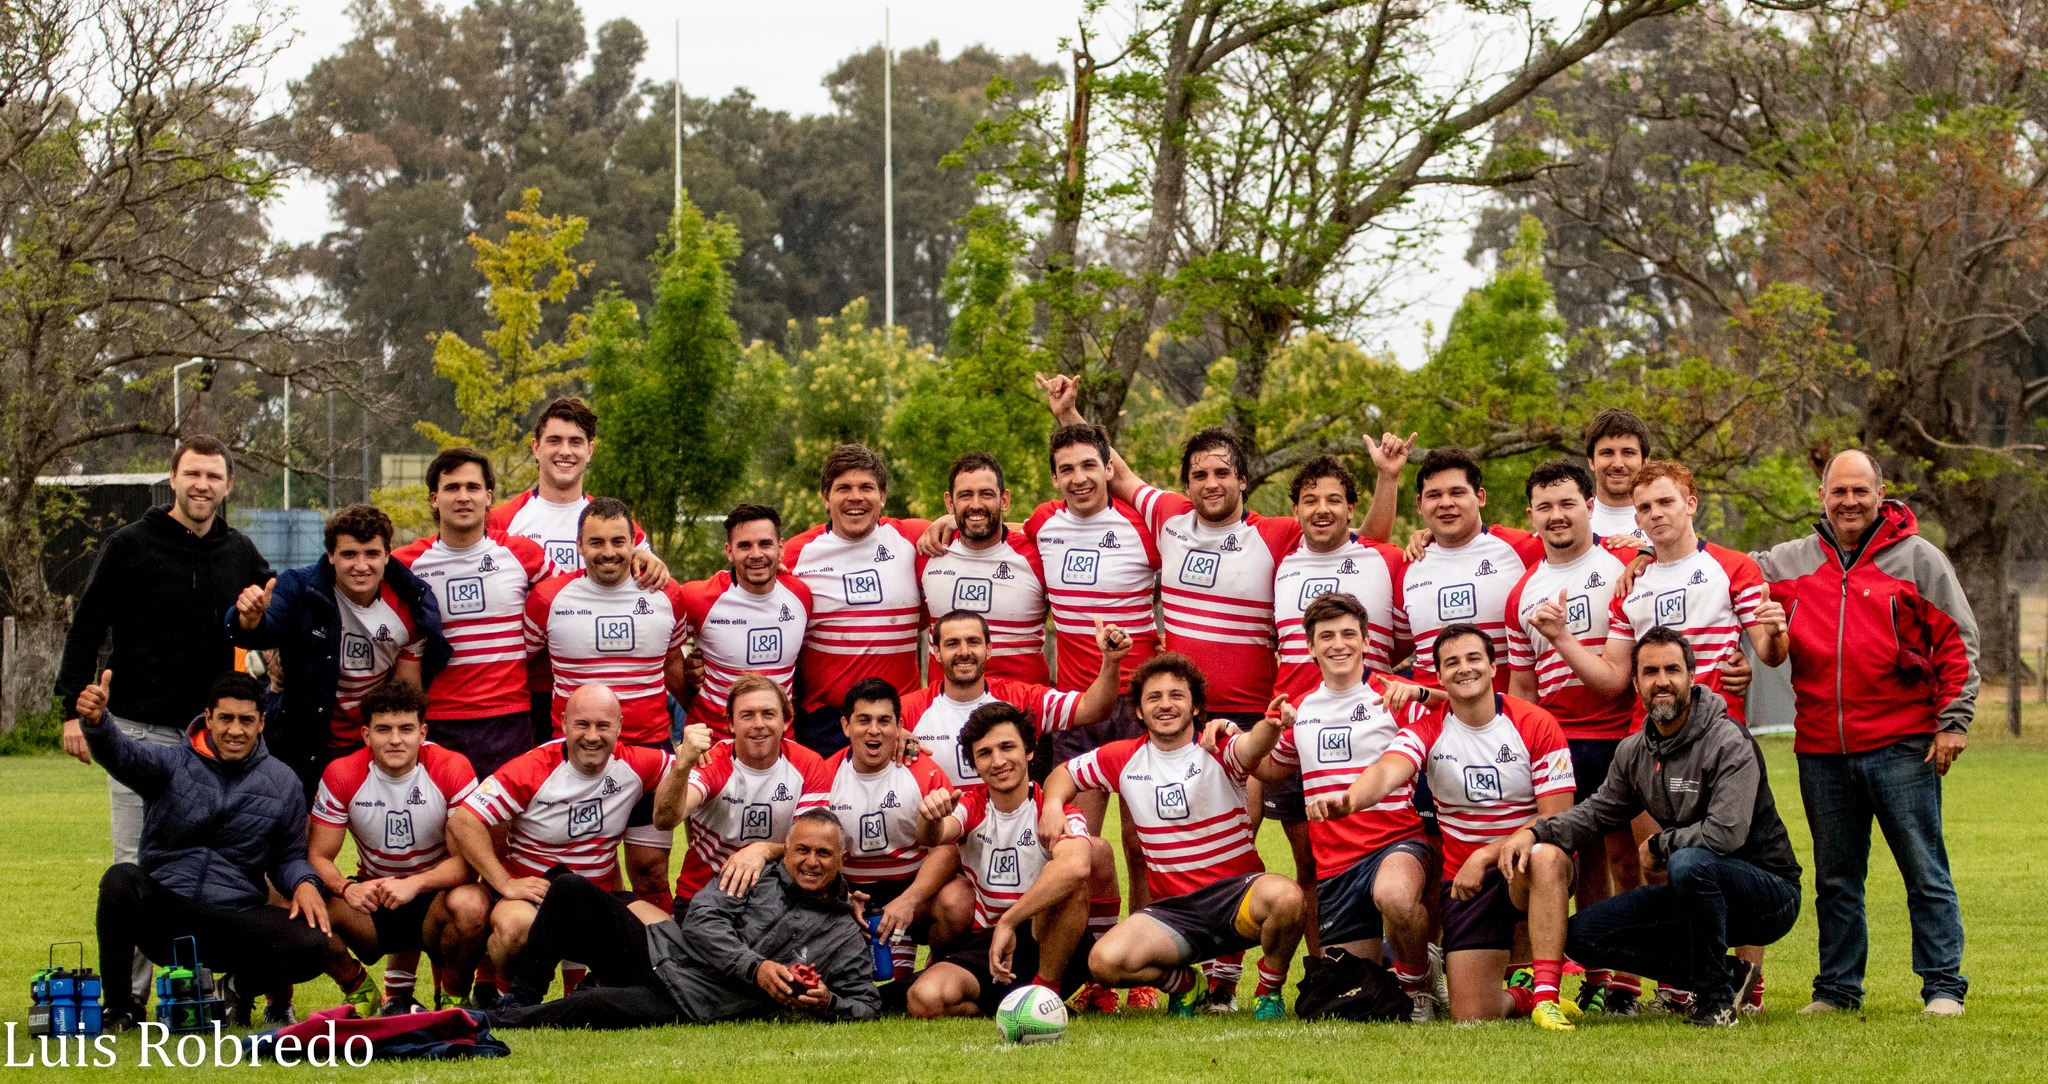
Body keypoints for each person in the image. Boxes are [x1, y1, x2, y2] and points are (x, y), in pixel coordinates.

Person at [1753, 449, 1976, 1017]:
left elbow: (1958, 644)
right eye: (1837, 491)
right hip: (1822, 751)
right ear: (1822, 497)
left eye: (1859, 491)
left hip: (1903, 745)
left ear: (1881, 494)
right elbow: (1723, 569)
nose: (1848, 502)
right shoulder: (1789, 561)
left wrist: (1953, 720)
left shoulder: (1920, 561)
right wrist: (1649, 553)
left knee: (1924, 871)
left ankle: (1944, 987)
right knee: (1837, 880)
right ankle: (1836, 990)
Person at [57, 436, 273, 1006]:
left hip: (213, 741)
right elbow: (86, 627)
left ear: (228, 486)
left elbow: (262, 630)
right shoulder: (130, 544)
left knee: (213, 864)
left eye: (214, 476)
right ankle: (125, 1000)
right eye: (192, 473)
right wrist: (71, 712)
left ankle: (205, 993)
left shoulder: (241, 552)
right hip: (137, 727)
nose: (202, 485)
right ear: (172, 479)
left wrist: (258, 623)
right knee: (135, 863)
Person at [1498, 627, 1803, 1028]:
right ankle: (1728, 976)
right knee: (1583, 935)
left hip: (1767, 895)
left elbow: (1725, 834)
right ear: (1636, 683)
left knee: (1689, 862)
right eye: (1650, 671)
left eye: (1673, 670)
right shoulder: (1633, 752)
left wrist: (1660, 844)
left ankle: (1716, 1002)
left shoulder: (1728, 741)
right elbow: (1595, 813)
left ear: (1692, 677)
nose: (1662, 681)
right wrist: (1535, 833)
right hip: (1692, 890)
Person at [1310, 624, 1579, 1029]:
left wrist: (1486, 854)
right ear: (1438, 676)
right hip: (1467, 880)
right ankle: (1522, 998)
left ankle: (1546, 996)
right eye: (1451, 663)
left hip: (1525, 866)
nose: (1464, 669)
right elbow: (1386, 771)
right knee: (1471, 1015)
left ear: (1492, 667)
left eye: (1474, 659)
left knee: (1544, 854)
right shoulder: (1428, 729)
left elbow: (1556, 817)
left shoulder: (1535, 723)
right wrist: (1351, 800)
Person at [1043, 654, 1306, 1021]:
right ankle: (1186, 985)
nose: (1165, 704)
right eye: (1154, 697)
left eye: (1176, 695)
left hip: (1236, 900)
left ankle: (1269, 990)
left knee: (1288, 898)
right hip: (1175, 915)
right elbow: (1065, 773)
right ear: (1137, 711)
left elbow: (1251, 747)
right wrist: (1053, 804)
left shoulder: (1217, 749)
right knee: (1103, 962)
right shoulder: (1123, 758)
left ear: (1196, 705)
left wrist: (1271, 723)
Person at [80, 671, 328, 1030]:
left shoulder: (284, 782)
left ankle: (237, 989)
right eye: (225, 718)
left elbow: (287, 858)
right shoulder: (171, 763)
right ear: (208, 717)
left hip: (234, 917)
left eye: (246, 720)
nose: (235, 730)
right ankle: (120, 1008)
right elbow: (122, 755)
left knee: (314, 942)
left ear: (262, 722)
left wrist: (305, 882)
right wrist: (98, 722)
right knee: (120, 879)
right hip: (168, 918)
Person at [487, 811, 881, 1028]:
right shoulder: (753, 872)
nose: (811, 862)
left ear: (841, 859)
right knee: (570, 887)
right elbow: (701, 922)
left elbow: (866, 1004)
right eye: (802, 850)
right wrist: (756, 968)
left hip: (694, 1000)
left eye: (824, 854)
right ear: (785, 849)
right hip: (661, 950)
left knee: (594, 1005)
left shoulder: (845, 933)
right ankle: (520, 997)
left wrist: (828, 1002)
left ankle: (507, 1021)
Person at [1502, 459, 1643, 1014]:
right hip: (1557, 745)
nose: (1556, 516)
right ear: (1531, 515)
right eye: (1545, 507)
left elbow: (1616, 680)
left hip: (1619, 737)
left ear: (1590, 507)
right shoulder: (1523, 591)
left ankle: (1627, 983)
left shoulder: (1621, 569)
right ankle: (1593, 975)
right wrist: (1522, 751)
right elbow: (1521, 687)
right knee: (1570, 861)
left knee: (1627, 860)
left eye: (1567, 504)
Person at [1258, 593, 1440, 1021]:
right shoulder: (1299, 709)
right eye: (1326, 637)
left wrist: (1421, 690)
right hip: (1336, 866)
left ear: (1365, 640)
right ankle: (1418, 963)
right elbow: (1269, 768)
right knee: (1350, 991)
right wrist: (1238, 733)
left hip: (1396, 844)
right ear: (1310, 647)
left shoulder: (1392, 696)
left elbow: (1455, 705)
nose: (1338, 644)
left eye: (1347, 634)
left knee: (1394, 897)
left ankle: (1417, 987)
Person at [523, 496, 689, 910]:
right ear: (579, 545)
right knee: (580, 875)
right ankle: (589, 974)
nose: (609, 552)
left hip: (649, 751)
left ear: (636, 543)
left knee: (650, 871)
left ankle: (661, 968)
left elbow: (674, 665)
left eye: (619, 541)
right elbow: (520, 669)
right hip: (575, 755)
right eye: (596, 542)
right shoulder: (547, 599)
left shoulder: (667, 593)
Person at [906, 703, 1120, 1018]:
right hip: (989, 946)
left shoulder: (1054, 810)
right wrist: (929, 817)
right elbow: (933, 836)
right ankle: (1009, 1005)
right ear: (975, 765)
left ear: (1029, 751)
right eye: (985, 753)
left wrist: (1010, 921)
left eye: (1008, 747)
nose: (999, 761)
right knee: (924, 999)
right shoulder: (971, 805)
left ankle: (1045, 994)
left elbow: (1076, 866)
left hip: (1050, 943)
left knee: (1070, 882)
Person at [445, 684, 672, 979]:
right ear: (564, 723)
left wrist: (691, 758)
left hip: (601, 898)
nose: (592, 736)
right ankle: (508, 995)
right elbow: (462, 821)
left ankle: (593, 990)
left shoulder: (636, 764)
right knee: (512, 930)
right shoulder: (532, 768)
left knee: (663, 933)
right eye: (582, 724)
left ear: (619, 726)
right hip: (534, 898)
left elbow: (691, 774)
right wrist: (505, 883)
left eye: (603, 725)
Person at [228, 502, 450, 800]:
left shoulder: (411, 605)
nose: (361, 565)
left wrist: (398, 746)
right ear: (331, 556)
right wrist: (249, 619)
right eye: (349, 554)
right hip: (301, 740)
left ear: (387, 554)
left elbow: (404, 693)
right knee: (296, 839)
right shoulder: (300, 586)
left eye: (371, 554)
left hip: (370, 745)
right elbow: (266, 626)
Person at [487, 397, 670, 744]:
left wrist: (658, 565)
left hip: (598, 690)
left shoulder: (614, 524)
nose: (564, 452)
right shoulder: (502, 521)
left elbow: (652, 584)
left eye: (575, 442)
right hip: (530, 689)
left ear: (591, 450)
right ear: (535, 447)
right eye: (554, 441)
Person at [307, 682, 490, 1014]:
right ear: (365, 734)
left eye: (406, 729)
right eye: (383, 729)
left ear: (422, 732)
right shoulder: (342, 774)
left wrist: (414, 884)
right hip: (373, 898)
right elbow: (318, 856)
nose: (395, 739)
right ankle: (359, 989)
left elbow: (468, 864)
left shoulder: (452, 767)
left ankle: (454, 995)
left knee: (473, 904)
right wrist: (346, 889)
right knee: (305, 902)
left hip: (435, 895)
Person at [393, 448, 550, 781]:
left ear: (488, 496)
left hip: (507, 716)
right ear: (434, 498)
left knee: (500, 830)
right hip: (439, 719)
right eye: (452, 488)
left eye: (472, 487)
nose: (463, 497)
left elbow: (578, 588)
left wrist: (641, 559)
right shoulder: (406, 564)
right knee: (442, 829)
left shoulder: (523, 554)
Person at [782, 444, 932, 755]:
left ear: (883, 496)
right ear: (825, 497)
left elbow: (986, 534)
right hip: (825, 723)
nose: (856, 497)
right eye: (843, 488)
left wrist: (951, 522)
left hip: (900, 720)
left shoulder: (914, 539)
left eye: (866, 487)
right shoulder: (797, 555)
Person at [819, 678, 961, 986]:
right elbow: (811, 857)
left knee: (957, 902)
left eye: (884, 721)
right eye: (863, 720)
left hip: (913, 889)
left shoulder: (925, 771)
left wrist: (908, 901)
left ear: (899, 727)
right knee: (868, 979)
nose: (874, 730)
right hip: (853, 895)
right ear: (845, 726)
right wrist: (841, 900)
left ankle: (940, 962)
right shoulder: (825, 777)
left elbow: (948, 849)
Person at [652, 675, 832, 913]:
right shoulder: (713, 762)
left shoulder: (808, 764)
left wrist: (763, 849)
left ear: (786, 721)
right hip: (707, 895)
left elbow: (814, 842)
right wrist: (682, 767)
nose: (759, 724)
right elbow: (664, 820)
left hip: (779, 897)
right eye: (747, 715)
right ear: (731, 723)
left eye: (768, 714)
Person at [899, 610, 1128, 789]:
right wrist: (892, 737)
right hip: (940, 835)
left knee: (1096, 848)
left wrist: (1111, 661)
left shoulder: (1021, 699)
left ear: (989, 649)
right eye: (952, 643)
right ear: (936, 652)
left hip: (1007, 837)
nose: (964, 651)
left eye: (973, 642)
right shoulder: (909, 709)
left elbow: (1094, 708)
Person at [1399, 448, 1544, 688]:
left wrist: (1631, 552)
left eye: (1457, 492)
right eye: (1434, 495)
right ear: (1419, 504)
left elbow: (1586, 549)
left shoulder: (1524, 549)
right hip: (1434, 719)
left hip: (1506, 715)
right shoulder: (1408, 564)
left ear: (1480, 497)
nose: (1446, 503)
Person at [1273, 455, 1410, 700]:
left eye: (1333, 500)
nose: (1322, 509)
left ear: (1350, 508)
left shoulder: (1390, 561)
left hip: (1371, 716)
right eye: (1310, 501)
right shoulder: (1280, 563)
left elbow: (1407, 640)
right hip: (1293, 721)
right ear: (1296, 510)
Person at [677, 504, 811, 737]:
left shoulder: (801, 595)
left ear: (780, 548)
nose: (756, 554)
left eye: (765, 544)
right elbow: (664, 650)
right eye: (745, 545)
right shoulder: (697, 598)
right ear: (729, 551)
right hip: (714, 741)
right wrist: (689, 691)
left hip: (778, 742)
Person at [917, 452, 1051, 684]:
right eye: (965, 495)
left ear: (1004, 499)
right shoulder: (927, 551)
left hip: (1021, 711)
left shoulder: (1039, 555)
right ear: (950, 502)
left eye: (986, 494)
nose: (976, 505)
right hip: (950, 712)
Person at [1583, 408, 1653, 539]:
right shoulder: (1572, 523)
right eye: (1607, 453)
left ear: (1645, 461)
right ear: (1591, 461)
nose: (1618, 464)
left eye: (1628, 453)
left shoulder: (1664, 522)